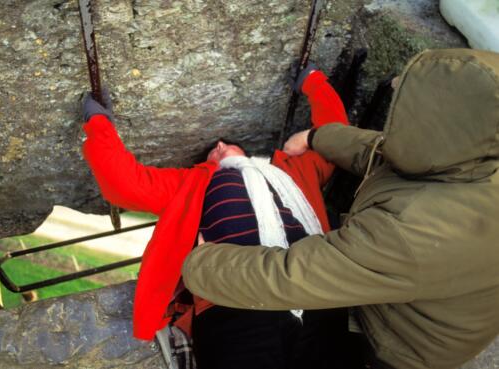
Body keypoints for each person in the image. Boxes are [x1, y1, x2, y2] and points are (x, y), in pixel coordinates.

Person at [182, 48, 499, 369]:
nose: (393, 89)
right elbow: (385, 152)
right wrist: (318, 136)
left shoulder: (414, 232)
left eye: (406, 96)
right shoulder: (472, 158)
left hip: (397, 341)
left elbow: (295, 276)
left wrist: (199, 265)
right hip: (402, 280)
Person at [81, 66, 351, 368]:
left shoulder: (293, 170)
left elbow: (334, 138)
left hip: (319, 294)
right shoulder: (191, 184)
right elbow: (125, 184)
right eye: (211, 151)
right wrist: (98, 122)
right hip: (235, 301)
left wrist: (313, 83)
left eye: (224, 144)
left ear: (249, 153)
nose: (218, 146)